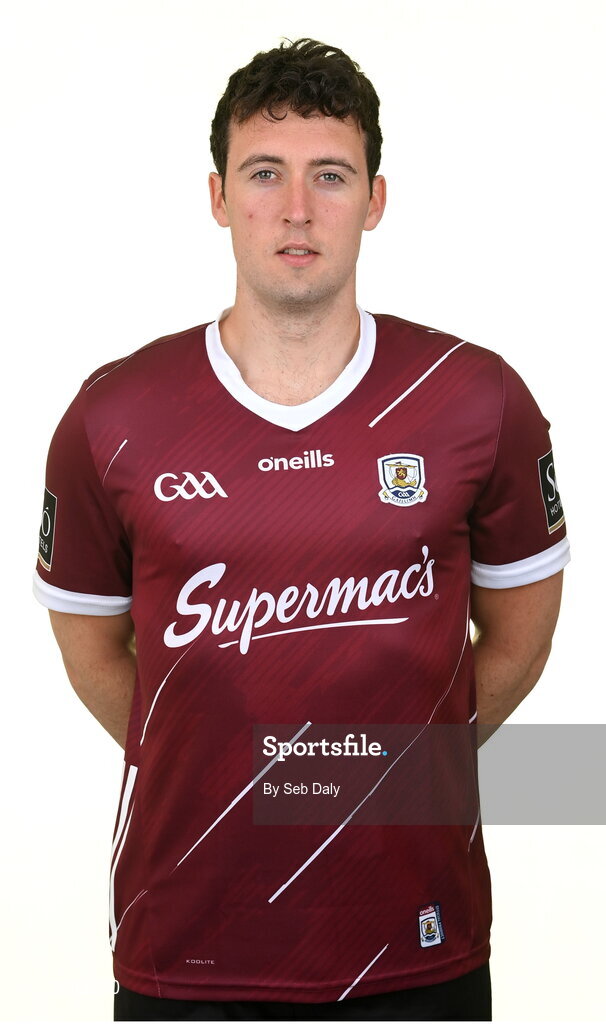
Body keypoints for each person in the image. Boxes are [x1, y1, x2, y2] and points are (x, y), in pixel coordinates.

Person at [33, 37, 569, 1023]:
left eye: (330, 175)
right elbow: (92, 647)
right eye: (264, 174)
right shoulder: (117, 417)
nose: (294, 209)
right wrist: (224, 759)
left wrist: (394, 765)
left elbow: (523, 633)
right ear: (217, 195)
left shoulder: (474, 401)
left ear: (374, 198)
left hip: (419, 940)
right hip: (188, 945)